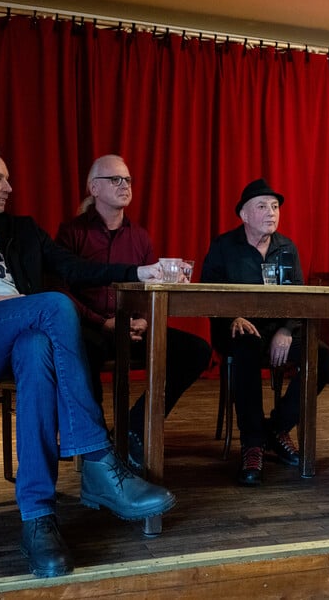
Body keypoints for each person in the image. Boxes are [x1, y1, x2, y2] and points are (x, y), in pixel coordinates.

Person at [0, 146, 176, 579]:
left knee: (37, 348)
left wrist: (139, 272)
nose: (8, 187)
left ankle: (38, 519)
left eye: (7, 177)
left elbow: (74, 267)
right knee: (55, 307)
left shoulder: (20, 230)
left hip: (21, 332)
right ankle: (98, 458)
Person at [55, 154, 213, 470]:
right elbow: (61, 289)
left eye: (127, 179)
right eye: (115, 179)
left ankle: (132, 429)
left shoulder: (139, 236)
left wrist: (145, 319)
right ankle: (94, 446)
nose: (124, 185)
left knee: (196, 350)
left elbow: (150, 288)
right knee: (83, 349)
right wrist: (103, 322)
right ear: (93, 188)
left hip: (133, 325)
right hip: (92, 326)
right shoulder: (73, 232)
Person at [201, 178, 329, 486]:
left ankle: (275, 428)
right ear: (244, 215)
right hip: (236, 327)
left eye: (274, 206)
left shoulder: (286, 247)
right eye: (262, 206)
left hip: (279, 329)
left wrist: (287, 329)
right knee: (246, 348)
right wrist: (231, 316)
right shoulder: (224, 246)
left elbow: (299, 297)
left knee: (324, 358)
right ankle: (251, 443)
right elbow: (207, 293)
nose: (271, 212)